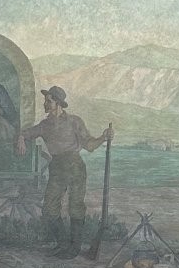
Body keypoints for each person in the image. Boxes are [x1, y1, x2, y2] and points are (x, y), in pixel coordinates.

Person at [14, 85, 112, 258]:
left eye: (48, 101)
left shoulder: (74, 121)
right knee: (49, 208)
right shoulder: (45, 125)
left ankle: (74, 249)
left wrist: (104, 137)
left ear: (58, 103)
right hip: (56, 166)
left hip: (74, 165)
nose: (45, 104)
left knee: (75, 206)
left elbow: (89, 145)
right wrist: (21, 138)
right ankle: (63, 244)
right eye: (45, 100)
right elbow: (27, 132)